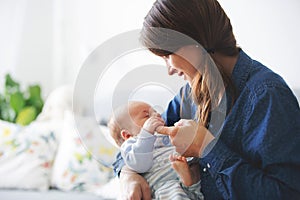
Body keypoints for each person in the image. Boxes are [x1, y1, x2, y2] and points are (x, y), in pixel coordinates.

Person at [115, 0, 300, 199]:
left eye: (168, 55)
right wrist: (127, 174)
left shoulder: (266, 95)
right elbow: (135, 139)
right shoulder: (188, 94)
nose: (169, 70)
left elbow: (287, 193)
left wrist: (206, 147)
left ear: (194, 44)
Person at [108, 101, 203, 200]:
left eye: (155, 112)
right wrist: (146, 133)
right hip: (161, 189)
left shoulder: (165, 134)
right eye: (147, 116)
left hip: (187, 186)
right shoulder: (131, 145)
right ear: (127, 135)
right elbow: (139, 164)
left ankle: (187, 177)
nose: (157, 115)